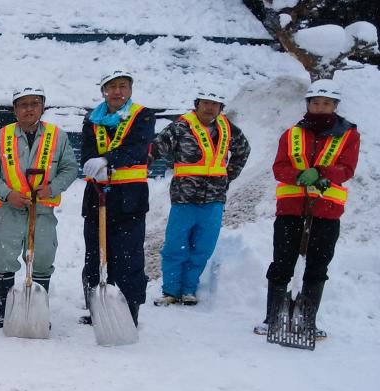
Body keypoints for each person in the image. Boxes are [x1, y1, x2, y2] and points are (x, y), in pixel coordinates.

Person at [254, 79, 359, 339]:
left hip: (326, 211)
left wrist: (323, 173)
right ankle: (274, 317)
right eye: (315, 103)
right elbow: (279, 167)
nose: (320, 107)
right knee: (282, 262)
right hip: (290, 209)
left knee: (317, 265)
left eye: (326, 103)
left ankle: (306, 319)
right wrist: (300, 175)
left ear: (334, 106)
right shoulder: (291, 134)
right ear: (308, 104)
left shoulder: (348, 135)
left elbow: (347, 168)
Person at [0, 85, 78, 327]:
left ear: (42, 107)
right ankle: (5, 310)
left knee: (43, 257)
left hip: (43, 210)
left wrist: (52, 188)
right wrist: (6, 194)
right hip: (10, 210)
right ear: (15, 110)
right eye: (23, 105)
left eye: (34, 103)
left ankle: (37, 309)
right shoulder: (0, 137)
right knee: (3, 257)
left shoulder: (58, 137)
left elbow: (70, 168)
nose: (29, 109)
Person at [151, 87, 251, 306]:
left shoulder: (228, 129)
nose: (209, 107)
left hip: (214, 201)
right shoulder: (180, 127)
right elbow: (154, 150)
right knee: (175, 246)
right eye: (205, 103)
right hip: (184, 199)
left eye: (214, 104)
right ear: (197, 104)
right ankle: (170, 290)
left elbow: (243, 150)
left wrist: (227, 176)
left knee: (203, 247)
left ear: (220, 108)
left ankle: (189, 289)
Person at [79, 69, 157, 326]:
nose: (117, 92)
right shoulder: (92, 119)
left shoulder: (143, 116)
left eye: (123, 86)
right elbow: (87, 153)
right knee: (96, 254)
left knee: (128, 256)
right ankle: (98, 307)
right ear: (104, 91)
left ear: (130, 90)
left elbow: (137, 149)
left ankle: (129, 311)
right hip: (97, 197)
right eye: (112, 87)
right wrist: (94, 164)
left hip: (129, 200)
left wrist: (107, 160)